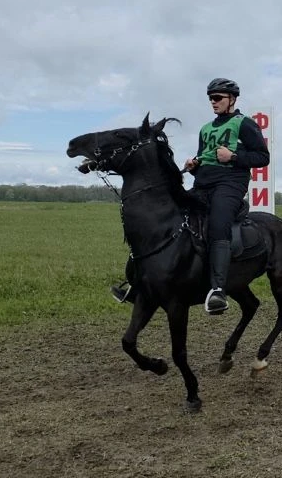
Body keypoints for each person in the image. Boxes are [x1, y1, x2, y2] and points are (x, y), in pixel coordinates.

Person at [110, 78, 270, 314]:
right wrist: (194, 165)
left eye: (218, 98)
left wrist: (234, 157)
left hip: (230, 184)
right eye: (210, 98)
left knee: (218, 226)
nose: (213, 102)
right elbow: (204, 156)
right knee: (168, 216)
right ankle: (139, 282)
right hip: (203, 183)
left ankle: (218, 290)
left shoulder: (245, 124)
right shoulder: (206, 129)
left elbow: (262, 157)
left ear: (232, 99)